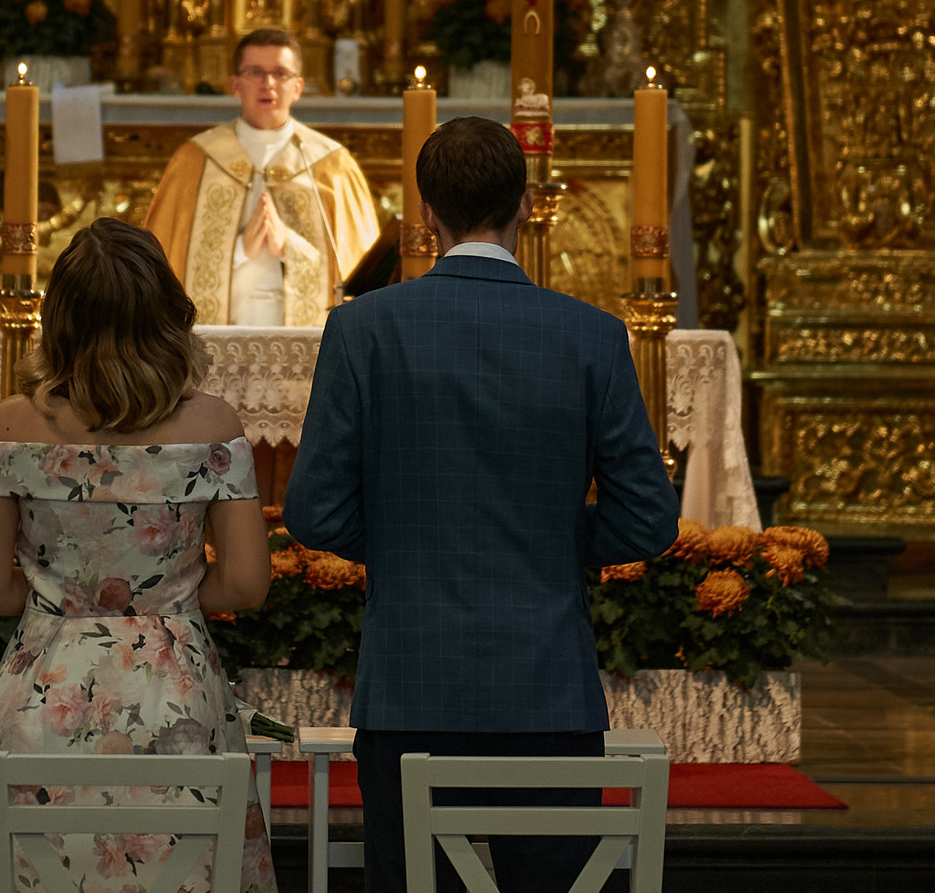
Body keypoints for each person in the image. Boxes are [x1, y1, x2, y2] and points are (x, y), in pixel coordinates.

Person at [282, 115, 677, 893]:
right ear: (525, 204)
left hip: (411, 684)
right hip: (547, 687)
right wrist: (556, 542)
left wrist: (406, 540)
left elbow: (314, 511)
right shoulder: (591, 334)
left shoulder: (363, 329)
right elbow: (649, 519)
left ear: (425, 213)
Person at [0, 216, 274, 892]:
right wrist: (165, 606)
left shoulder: (12, 425)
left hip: (44, 696)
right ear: (167, 313)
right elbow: (244, 583)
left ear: (59, 319)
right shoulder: (214, 425)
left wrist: (67, 609)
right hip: (175, 696)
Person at [141, 27, 381, 328]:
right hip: (216, 341)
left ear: (298, 86)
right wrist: (241, 250)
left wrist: (289, 248)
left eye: (280, 73)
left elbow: (359, 274)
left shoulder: (333, 167)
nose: (267, 83)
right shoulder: (194, 161)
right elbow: (160, 268)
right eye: (255, 72)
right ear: (235, 84)